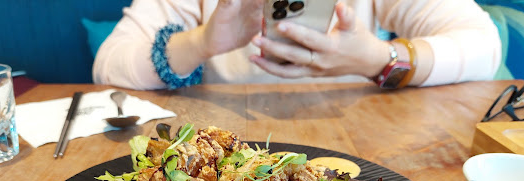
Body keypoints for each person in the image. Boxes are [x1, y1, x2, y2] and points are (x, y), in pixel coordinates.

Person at [93, 0, 501, 90]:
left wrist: (376, 59)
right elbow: (108, 65)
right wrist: (201, 42)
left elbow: (484, 46)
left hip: (357, 158)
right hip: (225, 150)